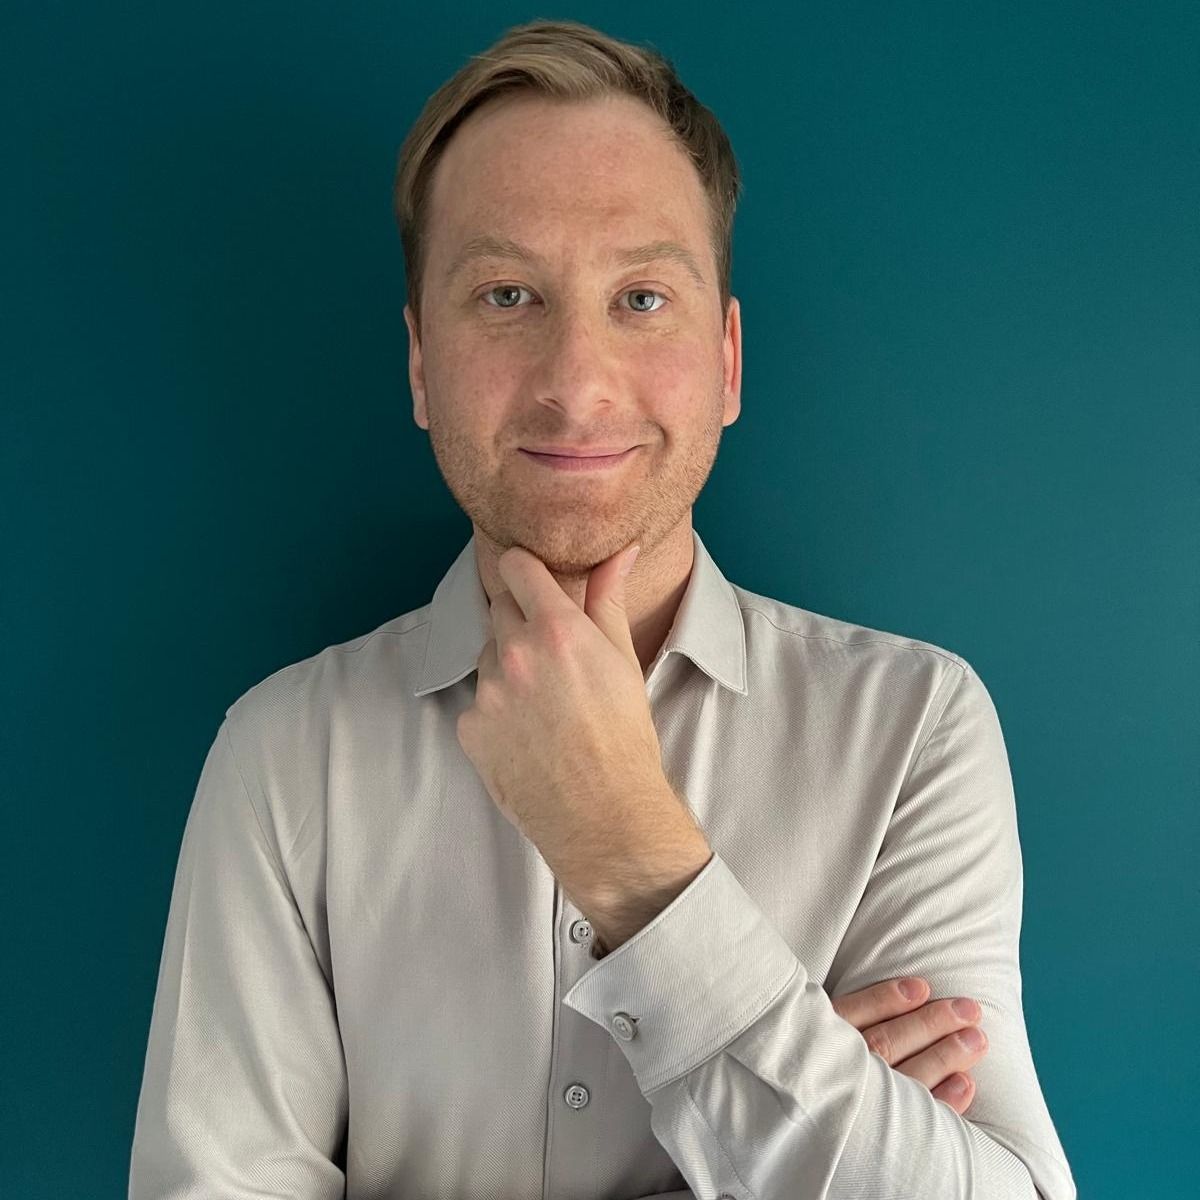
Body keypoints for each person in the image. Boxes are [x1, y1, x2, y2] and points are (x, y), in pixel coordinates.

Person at [128, 18, 1076, 1200]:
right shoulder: (281, 756)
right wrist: (805, 1111)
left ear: (727, 361)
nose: (576, 383)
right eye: (507, 294)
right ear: (421, 364)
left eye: (640, 297)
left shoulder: (914, 729)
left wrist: (628, 849)